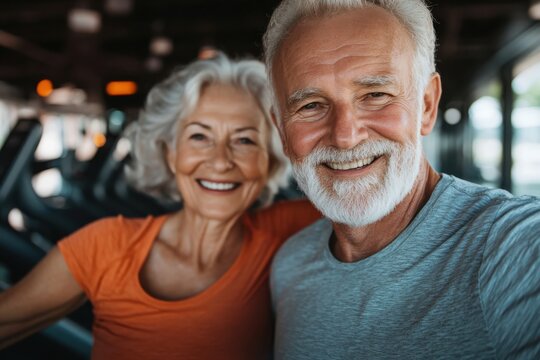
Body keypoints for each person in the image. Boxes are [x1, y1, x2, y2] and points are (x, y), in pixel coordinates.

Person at [262, 0, 540, 359]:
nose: (345, 136)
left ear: (426, 105)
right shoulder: (289, 265)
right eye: (311, 105)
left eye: (375, 95)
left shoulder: (511, 244)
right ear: (281, 131)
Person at [0, 53, 320, 359]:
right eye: (199, 137)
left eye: (245, 140)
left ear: (270, 163)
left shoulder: (288, 230)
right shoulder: (106, 246)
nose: (220, 161)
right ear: (170, 153)